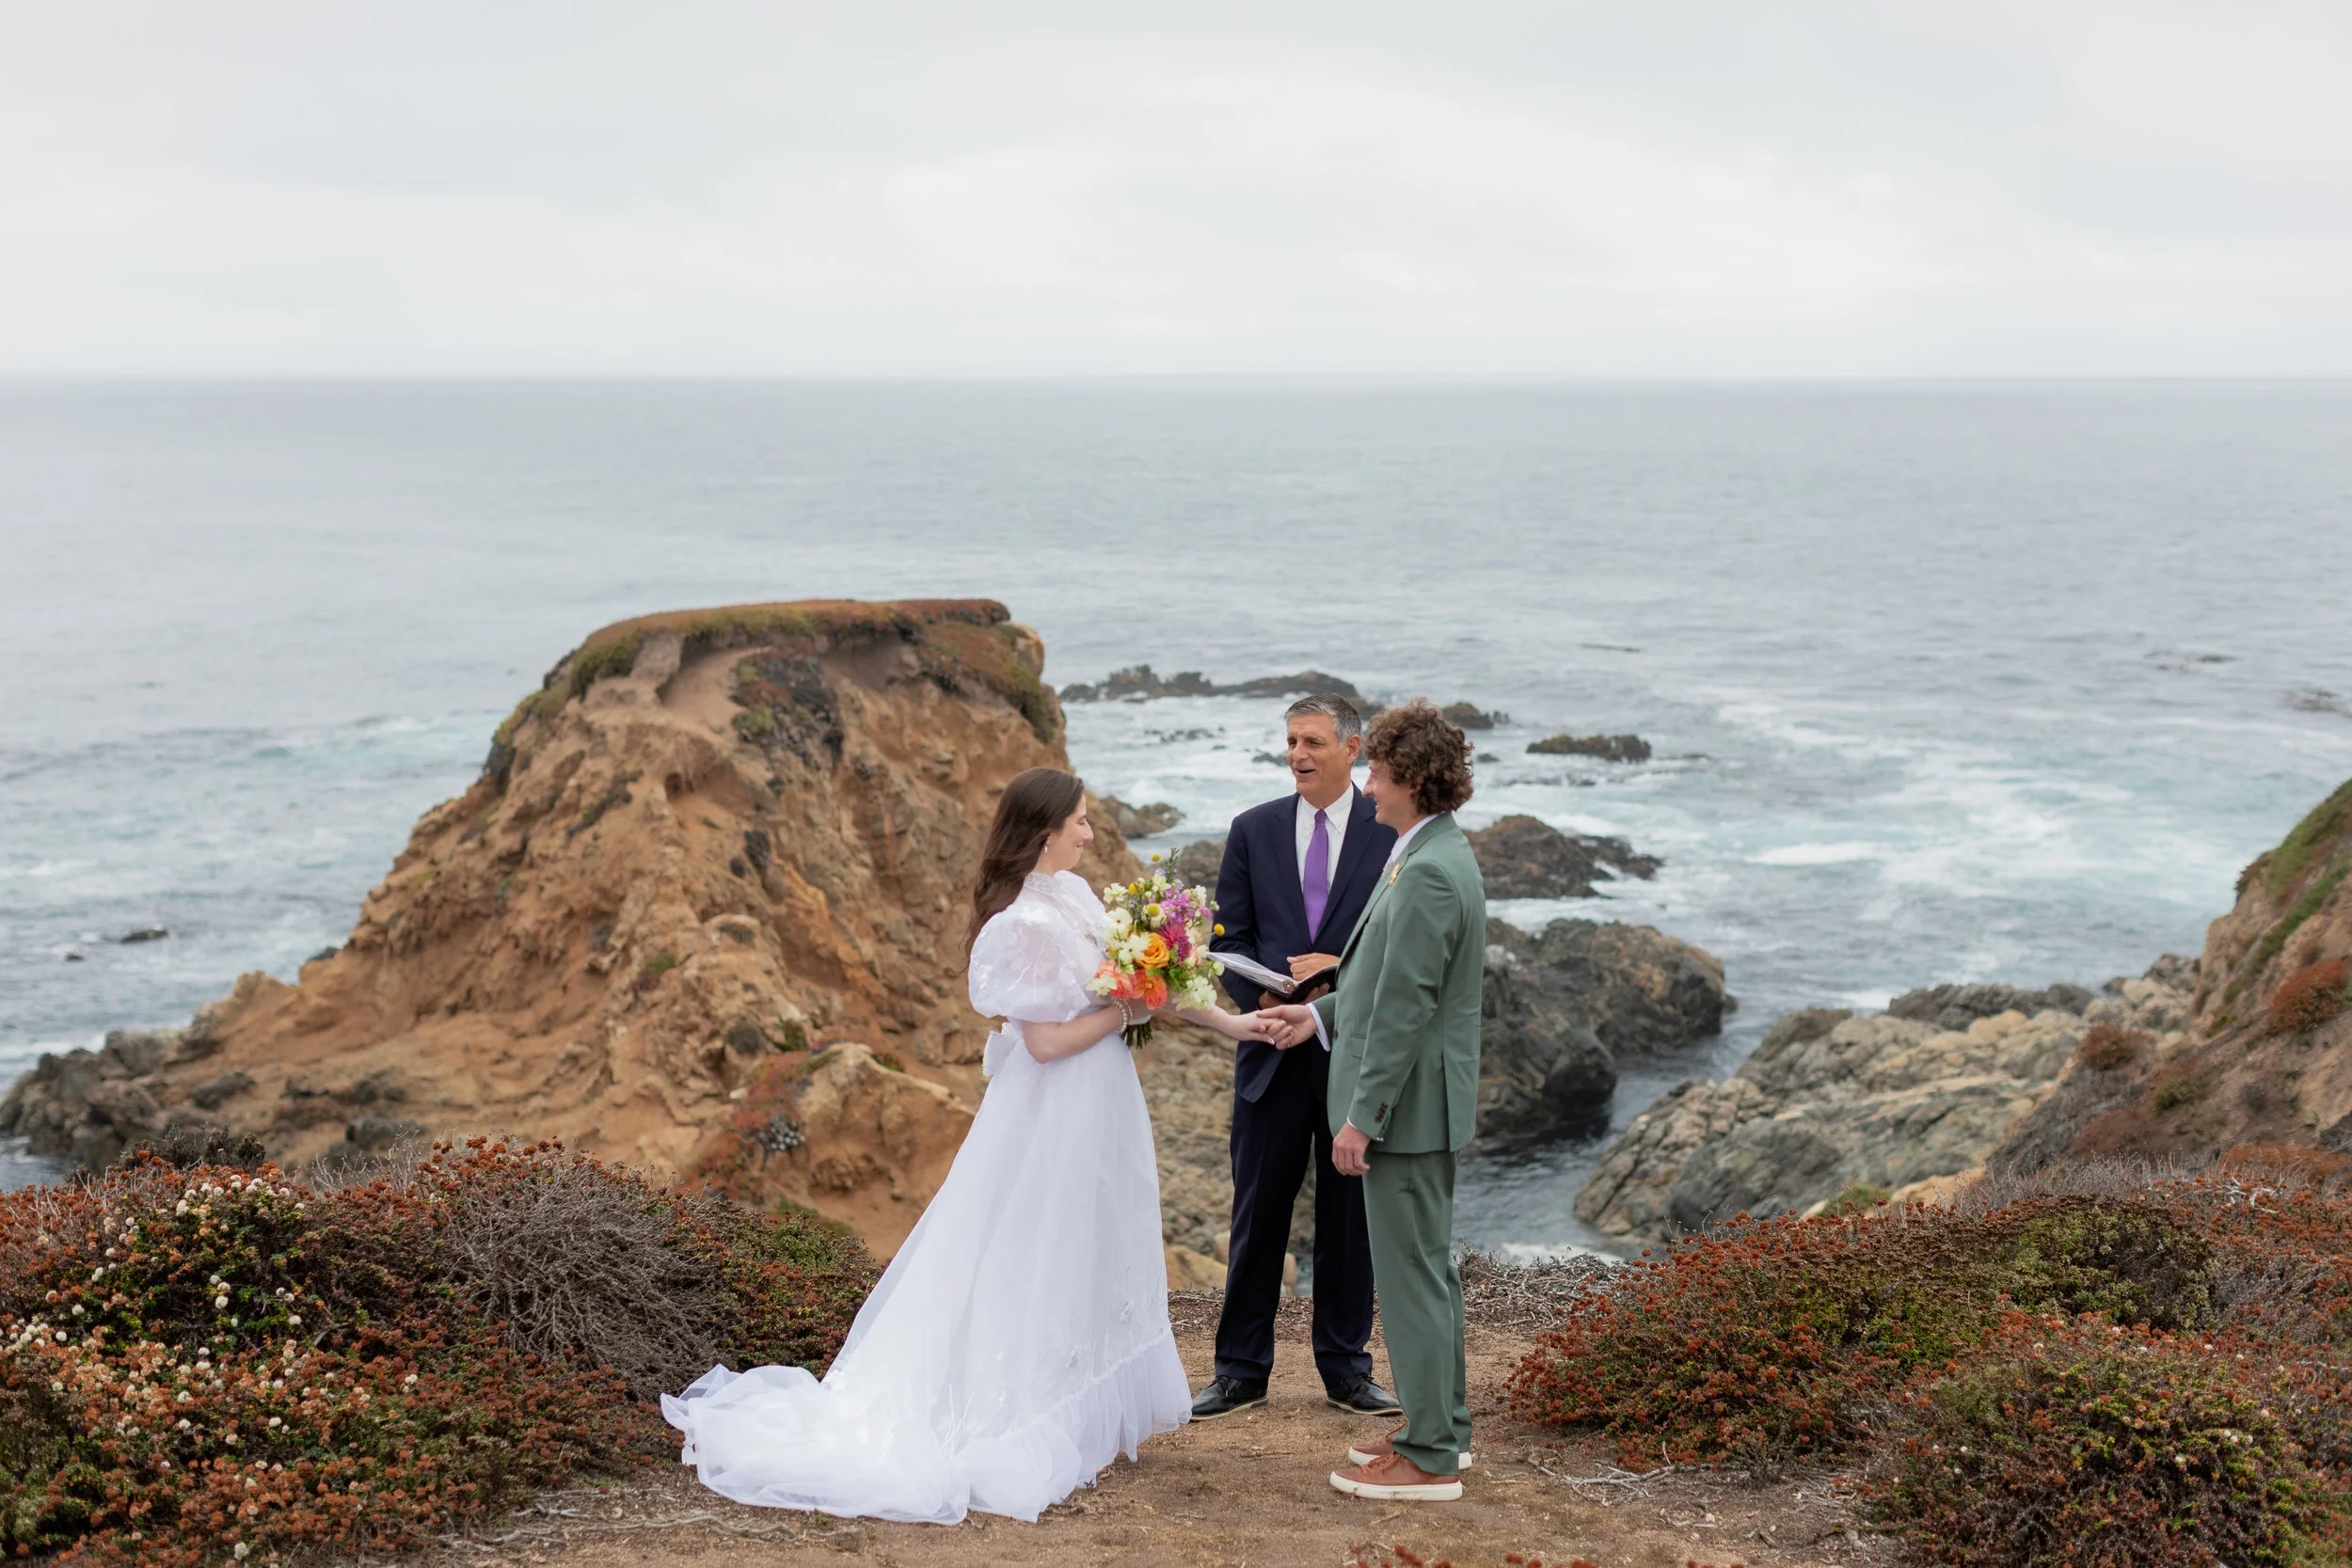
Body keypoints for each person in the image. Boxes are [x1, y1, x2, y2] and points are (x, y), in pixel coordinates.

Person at [663, 768, 1277, 1524]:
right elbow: (1047, 1042)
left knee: (1092, 1239)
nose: (1091, 833)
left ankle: (1076, 1407)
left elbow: (1155, 984)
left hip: (1102, 1099)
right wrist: (1125, 1014)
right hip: (1053, 1106)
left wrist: (1236, 1025)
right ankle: (1019, 1412)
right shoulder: (1022, 924)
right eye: (1081, 822)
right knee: (1034, 1246)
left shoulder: (1076, 895)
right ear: (1045, 831)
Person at [1255, 700, 1486, 1502]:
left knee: (1413, 1278)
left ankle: (1429, 1455)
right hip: (1423, 1104)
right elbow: (1376, 976)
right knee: (1429, 1271)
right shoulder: (1426, 851)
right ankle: (1443, 1426)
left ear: (1413, 780)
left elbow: (1404, 1007)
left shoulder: (1426, 871)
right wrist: (1316, 1015)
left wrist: (1362, 1116)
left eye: (1380, 774)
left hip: (1409, 1111)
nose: (1371, 787)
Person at [1190, 693, 1400, 1423]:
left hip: (1351, 1055)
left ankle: (1347, 1370)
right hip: (1270, 1049)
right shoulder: (1252, 829)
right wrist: (1261, 1003)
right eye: (1290, 742)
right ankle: (1240, 1371)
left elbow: (1398, 942)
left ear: (1352, 747)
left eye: (1312, 741)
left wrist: (1337, 978)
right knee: (1256, 1218)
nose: (1298, 755)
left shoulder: (1388, 831)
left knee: (1349, 1224)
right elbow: (1229, 940)